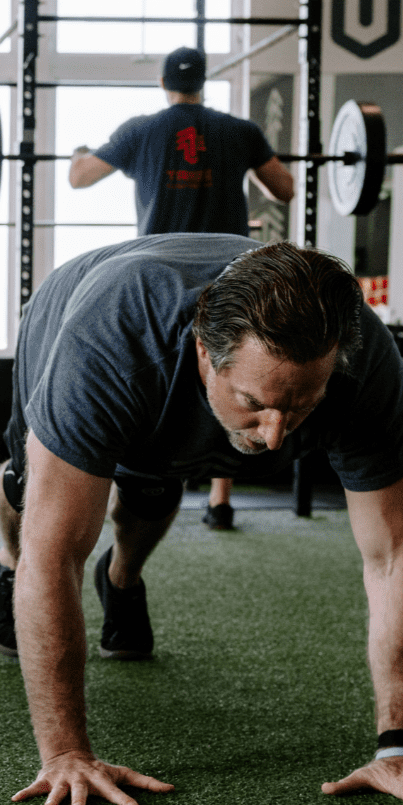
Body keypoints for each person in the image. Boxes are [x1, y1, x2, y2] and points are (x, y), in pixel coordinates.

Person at [0, 234, 403, 805]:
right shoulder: (110, 341)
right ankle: (4, 565)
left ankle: (122, 580)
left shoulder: (364, 364)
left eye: (302, 408)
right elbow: (55, 551)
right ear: (205, 354)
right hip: (70, 312)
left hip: (175, 387)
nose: (274, 436)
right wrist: (65, 754)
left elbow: (398, 552)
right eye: (255, 404)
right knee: (30, 497)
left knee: (153, 488)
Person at [67, 46, 296, 534]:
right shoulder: (240, 131)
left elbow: (79, 179)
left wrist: (79, 151)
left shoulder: (140, 129)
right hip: (229, 270)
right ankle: (219, 498)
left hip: (159, 274)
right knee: (228, 368)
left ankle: (132, 480)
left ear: (163, 83)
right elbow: (285, 188)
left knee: (150, 365)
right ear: (204, 82)